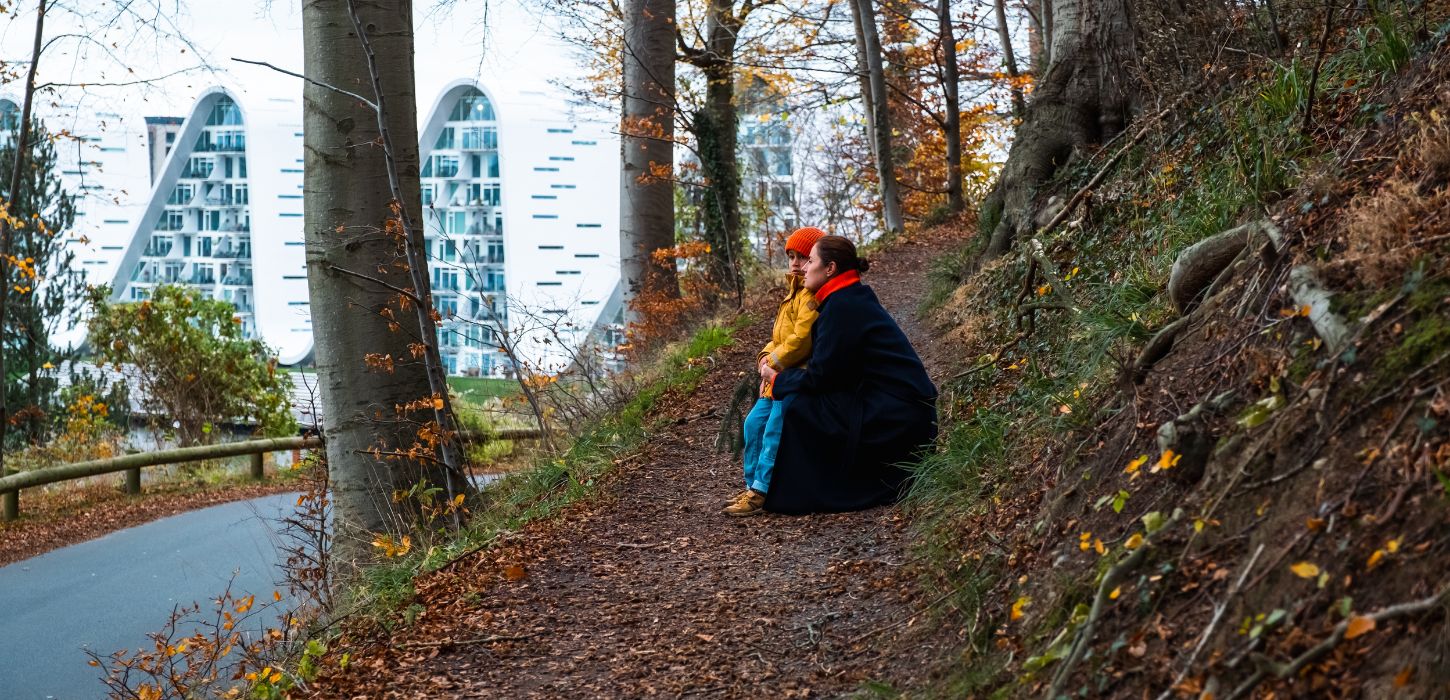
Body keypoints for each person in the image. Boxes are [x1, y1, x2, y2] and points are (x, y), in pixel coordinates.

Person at [761, 235, 937, 514]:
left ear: (829, 269)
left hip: (899, 419)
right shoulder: (846, 299)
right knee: (807, 402)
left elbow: (821, 377)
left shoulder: (843, 307)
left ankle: (796, 492)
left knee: (800, 407)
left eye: (811, 261)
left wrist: (778, 379)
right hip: (900, 410)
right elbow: (833, 372)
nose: (804, 267)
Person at [723, 226, 826, 516]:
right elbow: (779, 338)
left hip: (791, 378)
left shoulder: (808, 297)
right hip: (775, 377)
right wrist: (765, 356)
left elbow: (801, 341)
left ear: (817, 259)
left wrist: (774, 366)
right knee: (753, 425)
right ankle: (752, 486)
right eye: (791, 256)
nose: (795, 262)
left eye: (803, 257)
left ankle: (761, 491)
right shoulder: (791, 294)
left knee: (773, 432)